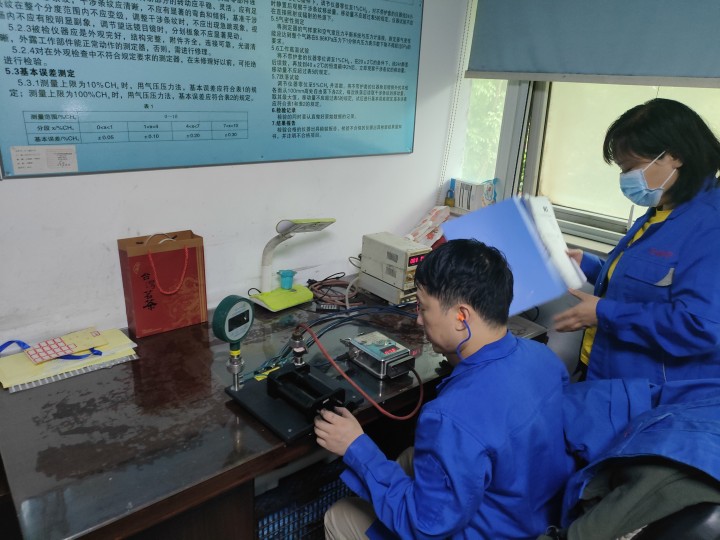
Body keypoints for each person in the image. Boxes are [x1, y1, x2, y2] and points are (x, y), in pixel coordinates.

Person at [315, 239, 574, 539]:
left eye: (424, 308)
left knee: (340, 515)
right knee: (410, 456)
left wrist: (354, 446)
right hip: (536, 516)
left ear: (461, 317)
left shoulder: (450, 417)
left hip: (486, 531)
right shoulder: (543, 357)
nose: (418, 319)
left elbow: (423, 526)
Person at [554, 98, 720, 384]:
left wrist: (604, 313)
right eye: (621, 169)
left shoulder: (710, 225)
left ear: (676, 155)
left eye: (631, 167)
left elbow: (700, 325)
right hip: (602, 368)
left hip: (652, 391)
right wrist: (588, 265)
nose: (625, 178)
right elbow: (645, 281)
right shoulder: (661, 209)